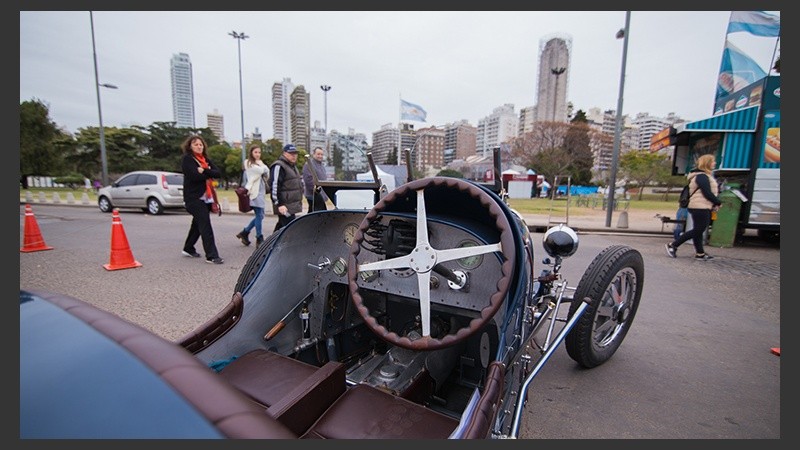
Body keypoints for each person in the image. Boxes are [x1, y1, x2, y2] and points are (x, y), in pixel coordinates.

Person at [665, 154, 722, 261]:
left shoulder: (701, 176)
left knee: (698, 230)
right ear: (707, 163)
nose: (715, 163)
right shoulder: (702, 176)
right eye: (713, 161)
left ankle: (700, 253)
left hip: (700, 206)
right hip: (700, 206)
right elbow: (707, 192)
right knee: (699, 230)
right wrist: (717, 202)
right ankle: (673, 245)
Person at [180, 135, 224, 264]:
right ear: (190, 146)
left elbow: (217, 173)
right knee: (205, 225)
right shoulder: (188, 159)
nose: (199, 147)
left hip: (206, 198)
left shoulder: (205, 160)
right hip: (194, 198)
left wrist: (204, 170)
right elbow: (194, 176)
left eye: (201, 144)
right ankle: (212, 255)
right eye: (196, 144)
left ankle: (188, 248)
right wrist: (208, 173)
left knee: (197, 225)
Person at [235, 144, 269, 247]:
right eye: (255, 152)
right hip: (254, 192)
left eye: (259, 152)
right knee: (259, 215)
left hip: (261, 191)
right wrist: (262, 166)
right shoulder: (248, 163)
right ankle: (259, 237)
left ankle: (245, 232)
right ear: (251, 153)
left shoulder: (259, 163)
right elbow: (262, 170)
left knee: (260, 215)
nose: (258, 154)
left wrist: (262, 167)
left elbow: (267, 173)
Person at [269, 143, 303, 233]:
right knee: (289, 229)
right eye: (291, 153)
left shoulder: (292, 167)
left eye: (295, 153)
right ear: (284, 153)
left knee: (281, 229)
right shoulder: (279, 166)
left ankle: (271, 242)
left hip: (291, 205)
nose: (294, 156)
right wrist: (279, 204)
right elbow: (275, 186)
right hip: (284, 206)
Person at [302, 146, 330, 212]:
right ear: (313, 154)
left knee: (319, 214)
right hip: (313, 196)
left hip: (321, 195)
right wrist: (317, 191)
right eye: (318, 154)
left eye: (321, 154)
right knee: (314, 214)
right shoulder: (309, 164)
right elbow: (308, 181)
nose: (320, 156)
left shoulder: (321, 165)